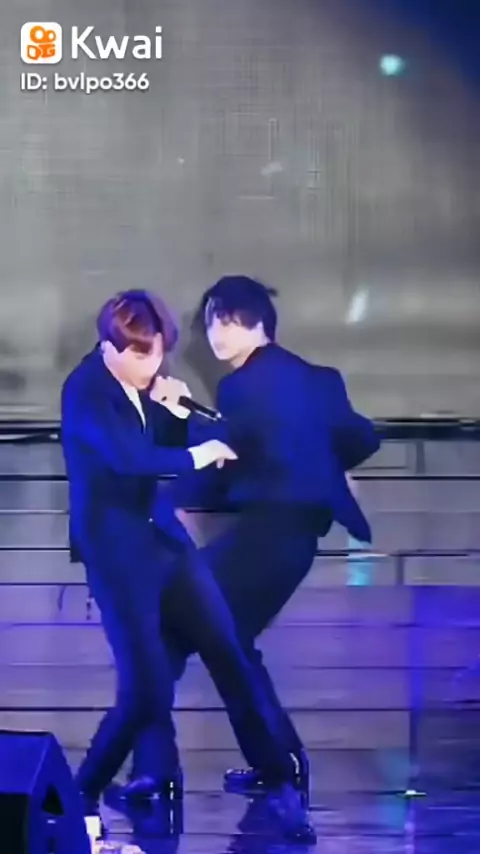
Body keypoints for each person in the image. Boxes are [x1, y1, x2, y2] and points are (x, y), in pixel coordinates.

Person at [61, 288, 316, 843]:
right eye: (140, 355)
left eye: (157, 353)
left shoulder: (144, 382)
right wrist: (201, 452)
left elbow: (159, 445)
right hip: (118, 555)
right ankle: (80, 794)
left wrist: (175, 415)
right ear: (109, 347)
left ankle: (281, 786)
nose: (151, 366)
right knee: (146, 689)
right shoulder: (84, 391)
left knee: (229, 651)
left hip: (165, 542)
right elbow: (129, 460)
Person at [130, 276, 380, 804]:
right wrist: (326, 469)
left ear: (259, 322)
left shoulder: (242, 386)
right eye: (212, 322)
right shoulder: (317, 379)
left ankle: (157, 771)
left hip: (267, 534)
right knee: (229, 640)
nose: (218, 333)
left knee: (173, 625)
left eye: (229, 320)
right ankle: (278, 762)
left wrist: (168, 481)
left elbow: (229, 455)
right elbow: (359, 435)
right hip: (293, 539)